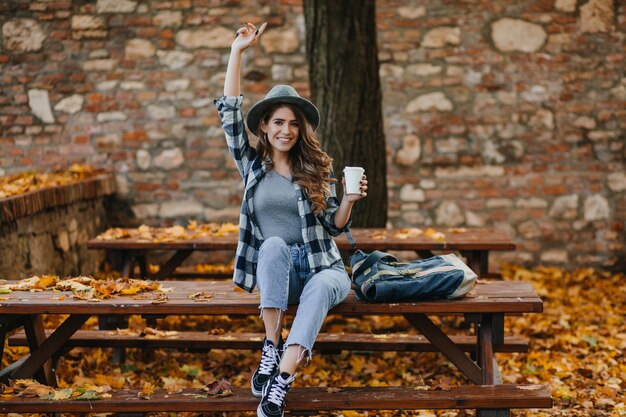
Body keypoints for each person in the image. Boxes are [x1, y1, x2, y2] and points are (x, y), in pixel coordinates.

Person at [214, 21, 368, 417]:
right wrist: (237, 51)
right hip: (280, 275)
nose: (286, 130)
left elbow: (335, 225)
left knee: (322, 287)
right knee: (274, 245)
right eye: (278, 122)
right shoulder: (252, 167)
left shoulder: (316, 166)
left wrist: (349, 200)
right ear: (264, 126)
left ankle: (280, 381)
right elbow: (229, 112)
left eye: (294, 123)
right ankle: (270, 344)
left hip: (322, 269)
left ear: (301, 129)